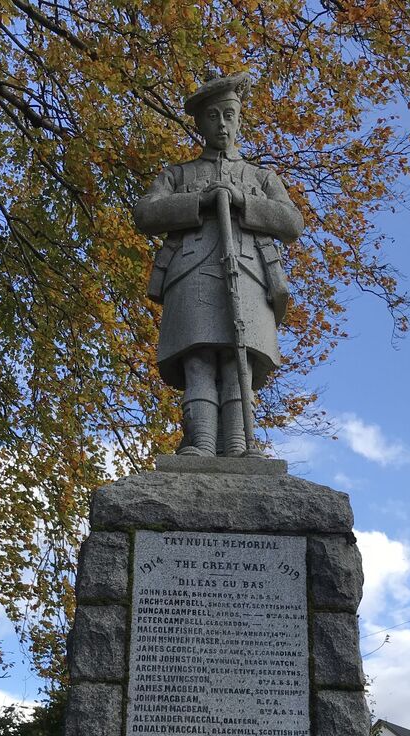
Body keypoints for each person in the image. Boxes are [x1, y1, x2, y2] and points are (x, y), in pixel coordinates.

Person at [133, 71, 304, 456]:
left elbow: (292, 223)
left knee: (236, 364)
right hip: (191, 274)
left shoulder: (260, 177)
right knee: (198, 361)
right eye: (213, 116)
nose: (222, 124)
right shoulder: (178, 174)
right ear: (200, 123)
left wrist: (244, 202)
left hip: (249, 274)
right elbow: (145, 213)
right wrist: (200, 202)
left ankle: (240, 444)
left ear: (239, 118)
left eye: (229, 114)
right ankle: (202, 443)